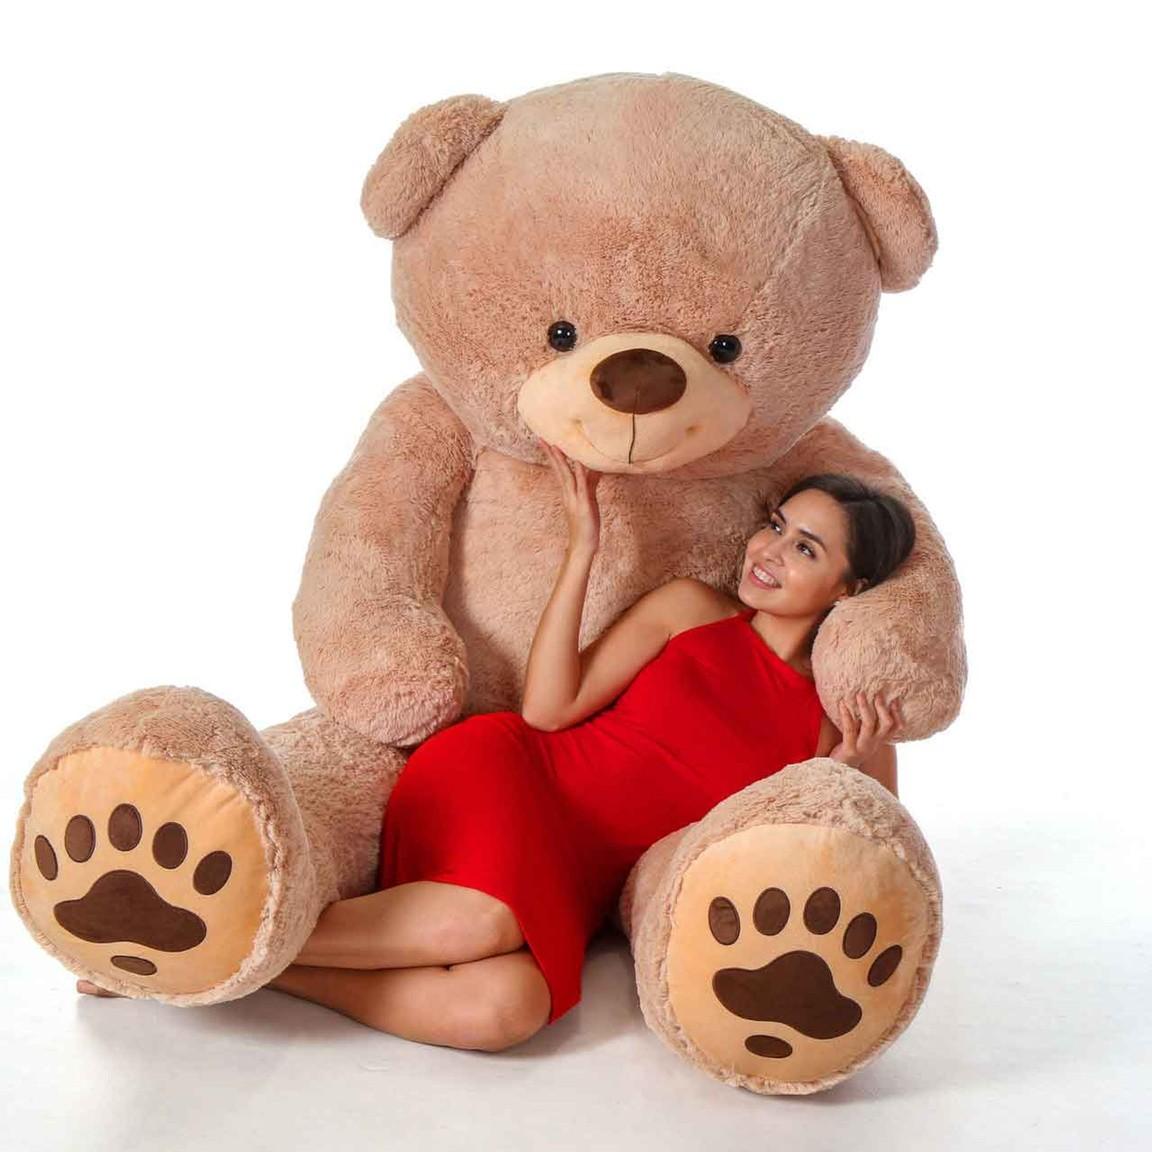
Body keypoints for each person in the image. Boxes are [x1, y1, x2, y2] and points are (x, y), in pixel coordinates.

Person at [80, 442, 916, 1060]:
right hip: (518, 776)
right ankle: (204, 946)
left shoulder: (838, 726)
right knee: (482, 922)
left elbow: (852, 865)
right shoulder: (692, 609)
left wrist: (849, 769)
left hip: (581, 877)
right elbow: (549, 710)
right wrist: (582, 549)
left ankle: (214, 960)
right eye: (776, 526)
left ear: (851, 589)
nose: (768, 552)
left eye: (805, 548)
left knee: (505, 1012)